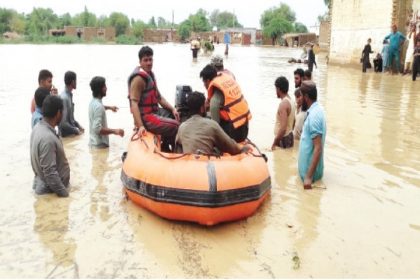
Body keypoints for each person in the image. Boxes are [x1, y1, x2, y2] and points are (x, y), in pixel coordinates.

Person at [128, 46, 180, 151]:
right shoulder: (138, 79)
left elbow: (159, 98)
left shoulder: (150, 75)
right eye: (145, 60)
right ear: (140, 62)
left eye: (150, 59)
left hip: (154, 111)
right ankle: (174, 151)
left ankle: (165, 144)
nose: (148, 63)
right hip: (146, 117)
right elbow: (134, 104)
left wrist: (173, 109)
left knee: (177, 116)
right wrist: (140, 126)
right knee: (176, 126)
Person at [175, 91, 249, 155]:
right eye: (205, 105)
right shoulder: (212, 125)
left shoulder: (182, 127)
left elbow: (178, 147)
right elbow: (231, 147)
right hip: (205, 166)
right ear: (202, 108)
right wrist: (242, 149)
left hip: (188, 165)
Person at [199, 64, 251, 143]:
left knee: (207, 122)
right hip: (245, 129)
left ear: (208, 81)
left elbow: (215, 126)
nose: (204, 85)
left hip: (234, 135)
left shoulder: (214, 100)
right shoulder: (227, 80)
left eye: (204, 82)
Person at [30, 95, 70, 197]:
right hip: (51, 193)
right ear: (58, 113)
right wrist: (65, 195)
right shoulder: (47, 138)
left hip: (43, 186)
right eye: (62, 112)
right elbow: (50, 174)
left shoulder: (37, 128)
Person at [298, 81, 326, 189]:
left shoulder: (315, 116)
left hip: (310, 179)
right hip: (307, 176)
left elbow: (318, 148)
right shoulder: (315, 110)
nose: (299, 99)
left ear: (306, 97)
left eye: (301, 95)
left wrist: (308, 177)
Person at [89, 76, 124, 148]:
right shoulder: (99, 106)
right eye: (104, 86)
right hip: (100, 146)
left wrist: (110, 107)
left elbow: (99, 108)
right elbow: (97, 129)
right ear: (100, 89)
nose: (106, 88)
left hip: (93, 144)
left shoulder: (93, 102)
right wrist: (115, 131)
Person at [272, 76, 295, 150]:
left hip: (283, 139)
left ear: (278, 89)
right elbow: (294, 121)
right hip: (289, 136)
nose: (275, 92)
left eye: (276, 89)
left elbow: (283, 129)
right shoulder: (291, 101)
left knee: (279, 160)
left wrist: (274, 143)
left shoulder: (283, 104)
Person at [58, 71, 84, 137]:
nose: (76, 83)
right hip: (66, 136)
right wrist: (76, 130)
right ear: (73, 82)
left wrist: (78, 125)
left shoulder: (69, 95)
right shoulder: (64, 98)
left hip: (71, 134)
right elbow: (63, 123)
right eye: (76, 81)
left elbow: (71, 119)